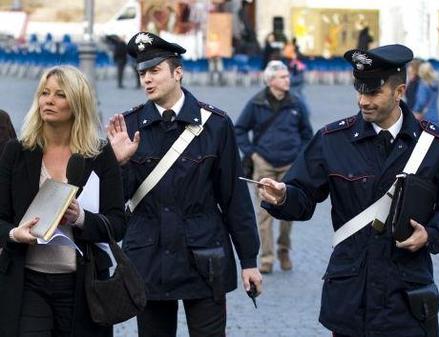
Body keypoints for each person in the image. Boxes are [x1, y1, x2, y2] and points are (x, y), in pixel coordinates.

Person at [258, 44, 439, 337]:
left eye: (373, 93)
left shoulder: (434, 145)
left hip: (407, 297)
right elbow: (301, 196)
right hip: (352, 297)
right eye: (360, 91)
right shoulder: (332, 139)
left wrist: (431, 234)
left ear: (399, 91)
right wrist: (283, 196)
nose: (362, 101)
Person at [106, 32, 262, 337]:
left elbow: (234, 198)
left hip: (203, 255)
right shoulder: (129, 126)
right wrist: (119, 163)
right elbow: (115, 200)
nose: (146, 80)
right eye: (142, 73)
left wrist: (249, 260)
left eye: (154, 71)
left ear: (178, 72)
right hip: (148, 257)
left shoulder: (215, 124)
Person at [0, 65, 126, 337]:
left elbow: (118, 223)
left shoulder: (100, 154)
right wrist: (14, 233)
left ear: (77, 102)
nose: (48, 100)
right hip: (27, 283)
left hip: (83, 285)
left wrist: (80, 217)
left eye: (59, 95)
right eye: (44, 93)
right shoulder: (17, 152)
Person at [235, 60, 313, 274]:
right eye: (282, 77)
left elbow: (308, 134)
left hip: (290, 165)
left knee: (288, 211)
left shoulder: (297, 103)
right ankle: (267, 257)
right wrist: (252, 154)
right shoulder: (256, 103)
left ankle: (284, 249)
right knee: (264, 214)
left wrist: (300, 157)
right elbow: (239, 129)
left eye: (288, 76)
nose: (288, 80)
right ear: (270, 81)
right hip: (265, 164)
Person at [413, 61, 439, 126]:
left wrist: (415, 111)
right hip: (435, 115)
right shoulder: (435, 84)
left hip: (425, 118)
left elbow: (421, 101)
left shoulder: (423, 85)